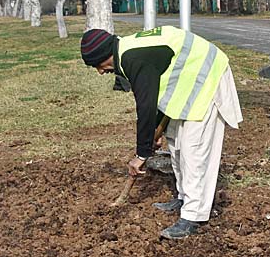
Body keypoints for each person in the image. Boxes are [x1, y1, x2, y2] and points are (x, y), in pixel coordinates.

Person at [80, 26, 242, 241]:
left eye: (97, 65)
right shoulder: (128, 52)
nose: (101, 71)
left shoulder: (132, 58)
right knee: (175, 142)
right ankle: (184, 197)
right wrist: (153, 135)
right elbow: (154, 99)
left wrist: (141, 154)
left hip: (206, 75)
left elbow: (145, 106)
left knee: (193, 149)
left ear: (104, 55)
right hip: (186, 81)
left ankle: (193, 216)